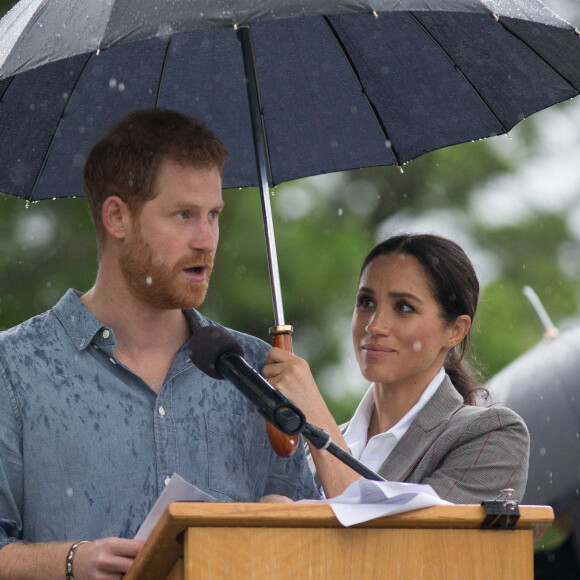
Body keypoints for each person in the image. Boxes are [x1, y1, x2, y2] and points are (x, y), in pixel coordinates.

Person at [0, 109, 318, 579]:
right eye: (184, 215)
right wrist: (69, 562)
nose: (207, 240)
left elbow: (316, 543)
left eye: (214, 215)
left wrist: (283, 516)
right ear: (116, 218)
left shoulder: (261, 372)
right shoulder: (13, 367)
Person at [263, 234, 530, 502]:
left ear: (455, 330)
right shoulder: (308, 450)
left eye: (404, 307)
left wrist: (315, 414)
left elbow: (397, 540)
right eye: (366, 302)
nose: (374, 326)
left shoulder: (492, 436)